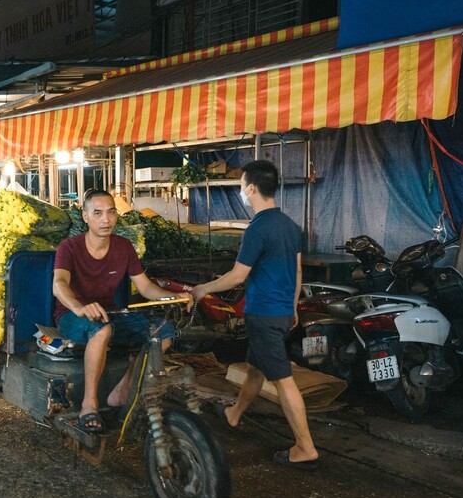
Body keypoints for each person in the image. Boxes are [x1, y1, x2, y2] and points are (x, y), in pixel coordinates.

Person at [191, 160, 320, 470]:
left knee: (284, 381)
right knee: (256, 367)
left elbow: (237, 276)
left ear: (251, 189)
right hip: (281, 313)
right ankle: (236, 412)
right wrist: (292, 307)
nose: (241, 193)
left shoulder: (258, 228)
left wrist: (202, 289)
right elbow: (297, 269)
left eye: (241, 187)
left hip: (263, 313)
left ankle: (305, 447)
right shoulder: (291, 226)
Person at [52, 189, 192, 433]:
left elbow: (146, 287)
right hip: (72, 315)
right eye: (97, 213)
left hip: (112, 313)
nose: (105, 219)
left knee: (165, 333)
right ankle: (89, 404)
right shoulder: (69, 247)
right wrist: (80, 307)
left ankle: (123, 389)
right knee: (102, 331)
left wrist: (173, 296)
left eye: (111, 212)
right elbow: (59, 285)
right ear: (85, 216)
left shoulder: (123, 247)